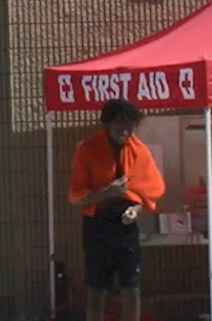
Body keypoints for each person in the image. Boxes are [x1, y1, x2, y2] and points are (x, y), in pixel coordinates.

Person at [68, 99, 165, 321]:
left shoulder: (139, 151)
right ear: (107, 123)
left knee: (131, 288)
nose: (125, 130)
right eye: (119, 123)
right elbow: (76, 197)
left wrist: (136, 210)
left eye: (130, 125)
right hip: (97, 224)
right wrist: (107, 192)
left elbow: (151, 189)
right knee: (96, 289)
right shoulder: (87, 149)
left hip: (125, 225)